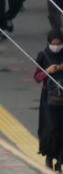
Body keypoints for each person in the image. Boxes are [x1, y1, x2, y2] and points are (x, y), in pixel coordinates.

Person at [34, 29, 63, 171]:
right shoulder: (43, 56)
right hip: (48, 99)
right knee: (50, 129)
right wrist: (48, 71)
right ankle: (49, 157)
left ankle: (60, 162)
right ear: (48, 43)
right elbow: (37, 77)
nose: (56, 46)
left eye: (59, 44)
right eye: (53, 44)